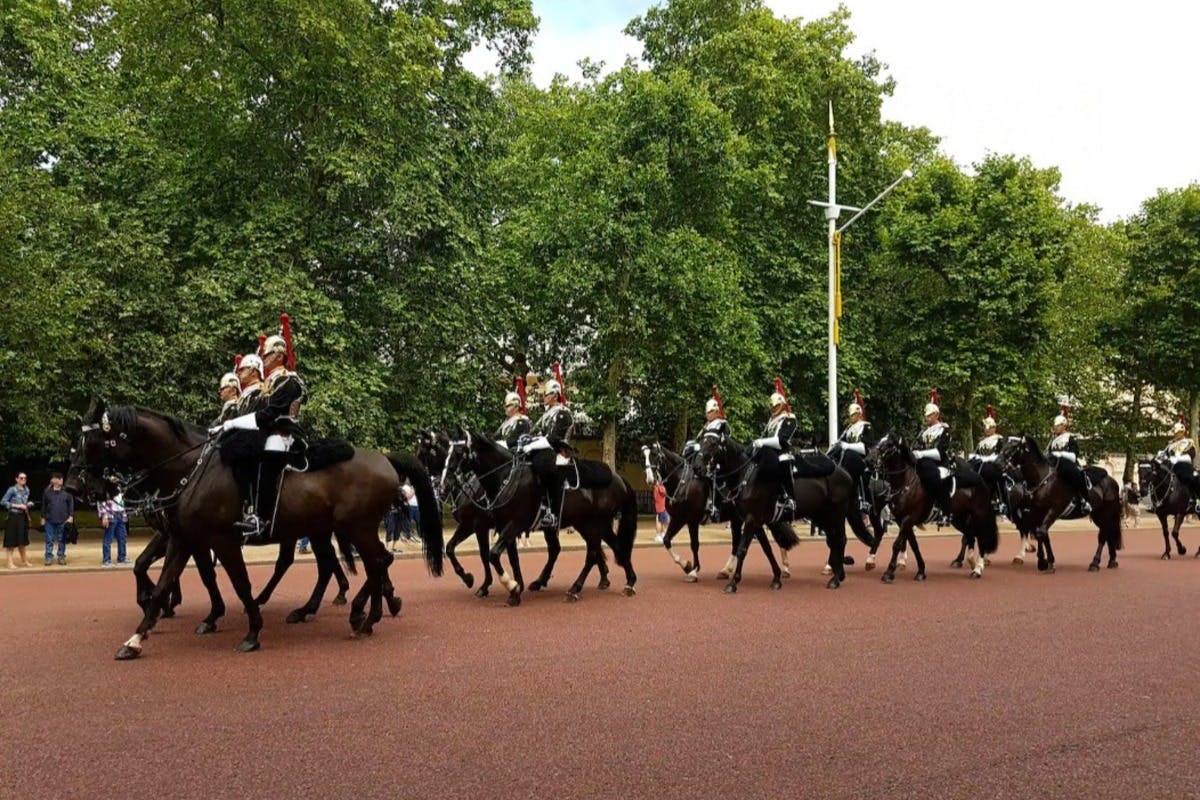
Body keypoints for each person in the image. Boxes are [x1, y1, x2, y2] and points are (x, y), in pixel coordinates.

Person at [215, 335, 306, 541]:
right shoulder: (269, 383)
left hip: (283, 431)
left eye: (266, 354)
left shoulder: (287, 380)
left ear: (278, 355)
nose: (263, 358)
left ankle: (260, 516)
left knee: (261, 463)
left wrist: (233, 424)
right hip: (267, 429)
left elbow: (270, 413)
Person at [518, 378, 573, 529]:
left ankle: (551, 510)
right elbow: (537, 433)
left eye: (547, 394)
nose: (544, 397)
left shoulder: (562, 413)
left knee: (543, 466)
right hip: (544, 450)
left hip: (559, 452)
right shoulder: (546, 415)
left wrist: (531, 446)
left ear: (555, 396)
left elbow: (554, 439)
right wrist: (526, 440)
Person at [751, 386, 798, 513]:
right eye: (772, 407)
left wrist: (762, 442)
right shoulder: (771, 421)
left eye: (776, 406)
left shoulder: (789, 418)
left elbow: (781, 440)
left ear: (782, 405)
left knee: (783, 461)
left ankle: (789, 497)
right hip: (769, 452)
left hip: (782, 451)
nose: (773, 409)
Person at [827, 394, 877, 512]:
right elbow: (841, 443)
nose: (851, 417)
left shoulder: (866, 427)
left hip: (862, 459)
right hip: (847, 459)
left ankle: (865, 501)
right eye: (850, 415)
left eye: (853, 414)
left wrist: (847, 446)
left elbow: (866, 447)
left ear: (859, 414)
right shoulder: (848, 429)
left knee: (857, 468)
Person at [1047, 408, 1090, 514]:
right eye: (1055, 426)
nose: (1055, 428)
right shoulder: (1053, 440)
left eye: (1057, 426)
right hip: (1055, 465)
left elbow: (1074, 456)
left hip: (1069, 465)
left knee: (1077, 476)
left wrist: (1060, 454)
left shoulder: (1070, 438)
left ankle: (1084, 500)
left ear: (1063, 426)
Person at [913, 393, 952, 506]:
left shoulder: (944, 430)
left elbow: (940, 453)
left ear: (936, 415)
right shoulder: (924, 432)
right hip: (924, 463)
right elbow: (917, 447)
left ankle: (943, 506)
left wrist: (921, 454)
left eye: (929, 415)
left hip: (940, 464)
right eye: (926, 416)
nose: (926, 418)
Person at [970, 407, 1006, 514]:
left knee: (996, 477)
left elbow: (999, 455)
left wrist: (986, 459)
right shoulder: (981, 442)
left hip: (994, 465)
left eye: (988, 427)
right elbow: (976, 453)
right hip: (981, 465)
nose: (986, 429)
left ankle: (1001, 501)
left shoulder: (999, 440)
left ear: (994, 428)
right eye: (985, 427)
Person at [40, 471, 75, 566]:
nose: (61, 480)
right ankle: (48, 556)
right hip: (49, 520)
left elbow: (71, 505)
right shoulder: (47, 492)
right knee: (49, 539)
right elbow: (43, 505)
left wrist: (71, 516)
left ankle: (61, 556)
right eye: (58, 478)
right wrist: (42, 517)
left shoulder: (67, 493)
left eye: (61, 478)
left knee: (62, 539)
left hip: (63, 519)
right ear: (53, 480)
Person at [3, 472, 32, 569]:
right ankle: (9, 562)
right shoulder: (12, 489)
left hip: (22, 517)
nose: (23, 480)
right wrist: (17, 505)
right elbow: (3, 501)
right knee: (11, 540)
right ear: (16, 479)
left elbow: (24, 503)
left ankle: (24, 561)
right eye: (21, 478)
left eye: (25, 478)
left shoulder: (27, 490)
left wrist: (28, 504)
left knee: (22, 540)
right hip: (13, 516)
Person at [99, 492, 128, 567]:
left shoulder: (120, 488)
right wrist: (104, 516)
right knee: (108, 539)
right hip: (111, 515)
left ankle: (122, 559)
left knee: (122, 537)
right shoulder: (107, 489)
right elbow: (101, 502)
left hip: (121, 515)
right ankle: (106, 560)